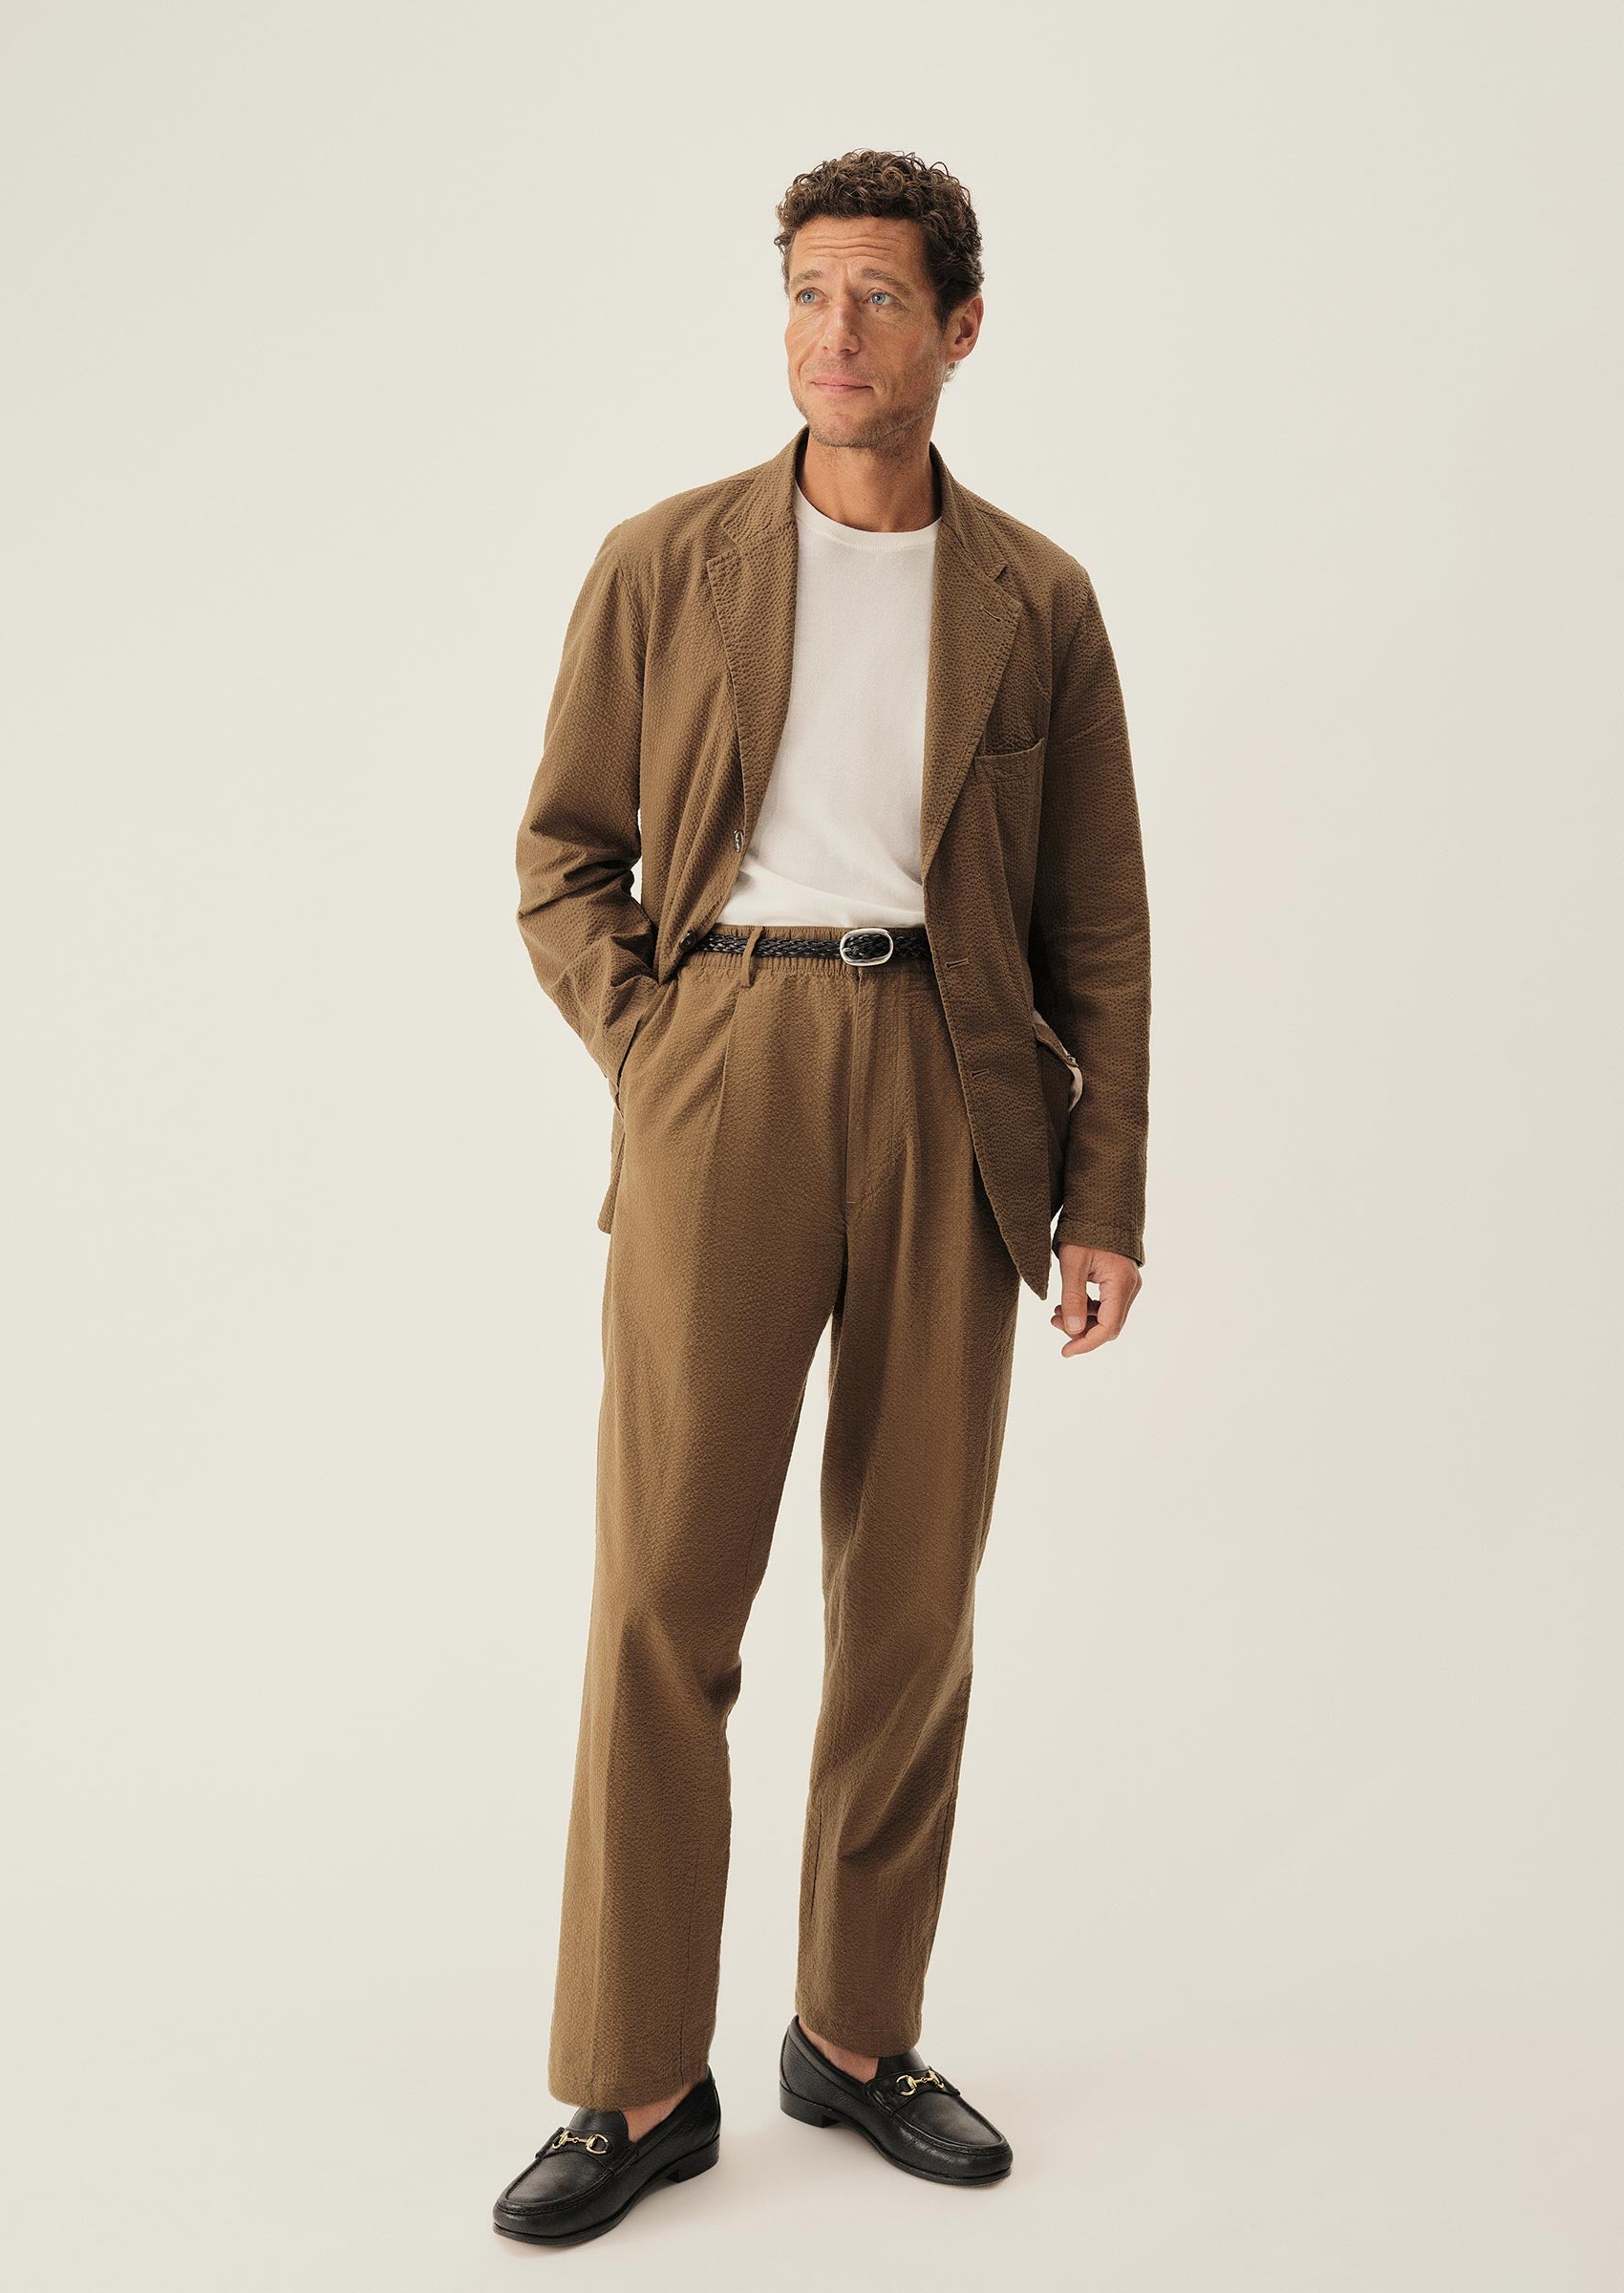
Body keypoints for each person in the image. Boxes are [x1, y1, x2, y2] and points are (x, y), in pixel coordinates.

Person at [495, 146, 1150, 2246]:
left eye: (876, 298)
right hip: (731, 1062)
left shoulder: (1038, 596)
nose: (834, 334)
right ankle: (635, 2078)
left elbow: (1098, 926)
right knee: (664, 1592)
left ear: (962, 328)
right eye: (805, 293)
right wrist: (657, 1044)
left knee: (910, 1592)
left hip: (961, 1088)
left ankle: (857, 2038)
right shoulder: (664, 561)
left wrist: (1104, 1193)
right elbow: (564, 853)